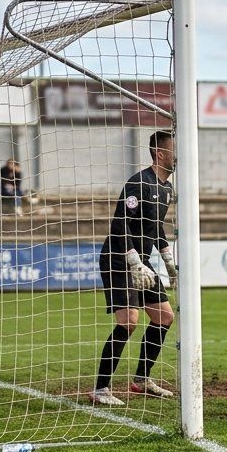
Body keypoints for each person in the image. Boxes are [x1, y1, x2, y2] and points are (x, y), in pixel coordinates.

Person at [91, 131, 177, 405]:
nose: (178, 155)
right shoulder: (139, 182)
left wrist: (168, 261)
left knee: (164, 317)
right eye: (174, 149)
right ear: (160, 153)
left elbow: (156, 227)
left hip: (142, 261)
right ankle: (101, 388)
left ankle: (141, 380)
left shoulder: (167, 188)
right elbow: (120, 222)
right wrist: (132, 260)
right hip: (119, 257)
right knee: (128, 321)